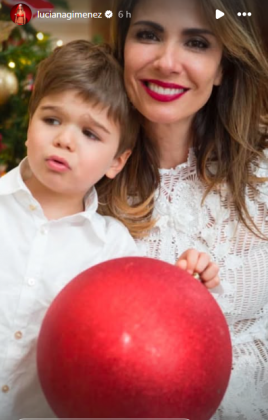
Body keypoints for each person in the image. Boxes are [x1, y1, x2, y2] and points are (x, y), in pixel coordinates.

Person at [0, 40, 219, 420]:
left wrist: (184, 284)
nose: (64, 139)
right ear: (29, 123)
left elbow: (142, 324)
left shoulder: (112, 248)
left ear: (117, 161)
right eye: (51, 119)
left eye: (90, 133)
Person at [106, 0, 268, 418]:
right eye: (148, 34)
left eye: (196, 43)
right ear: (122, 46)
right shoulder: (79, 175)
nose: (167, 62)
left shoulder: (262, 172)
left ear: (222, 69)